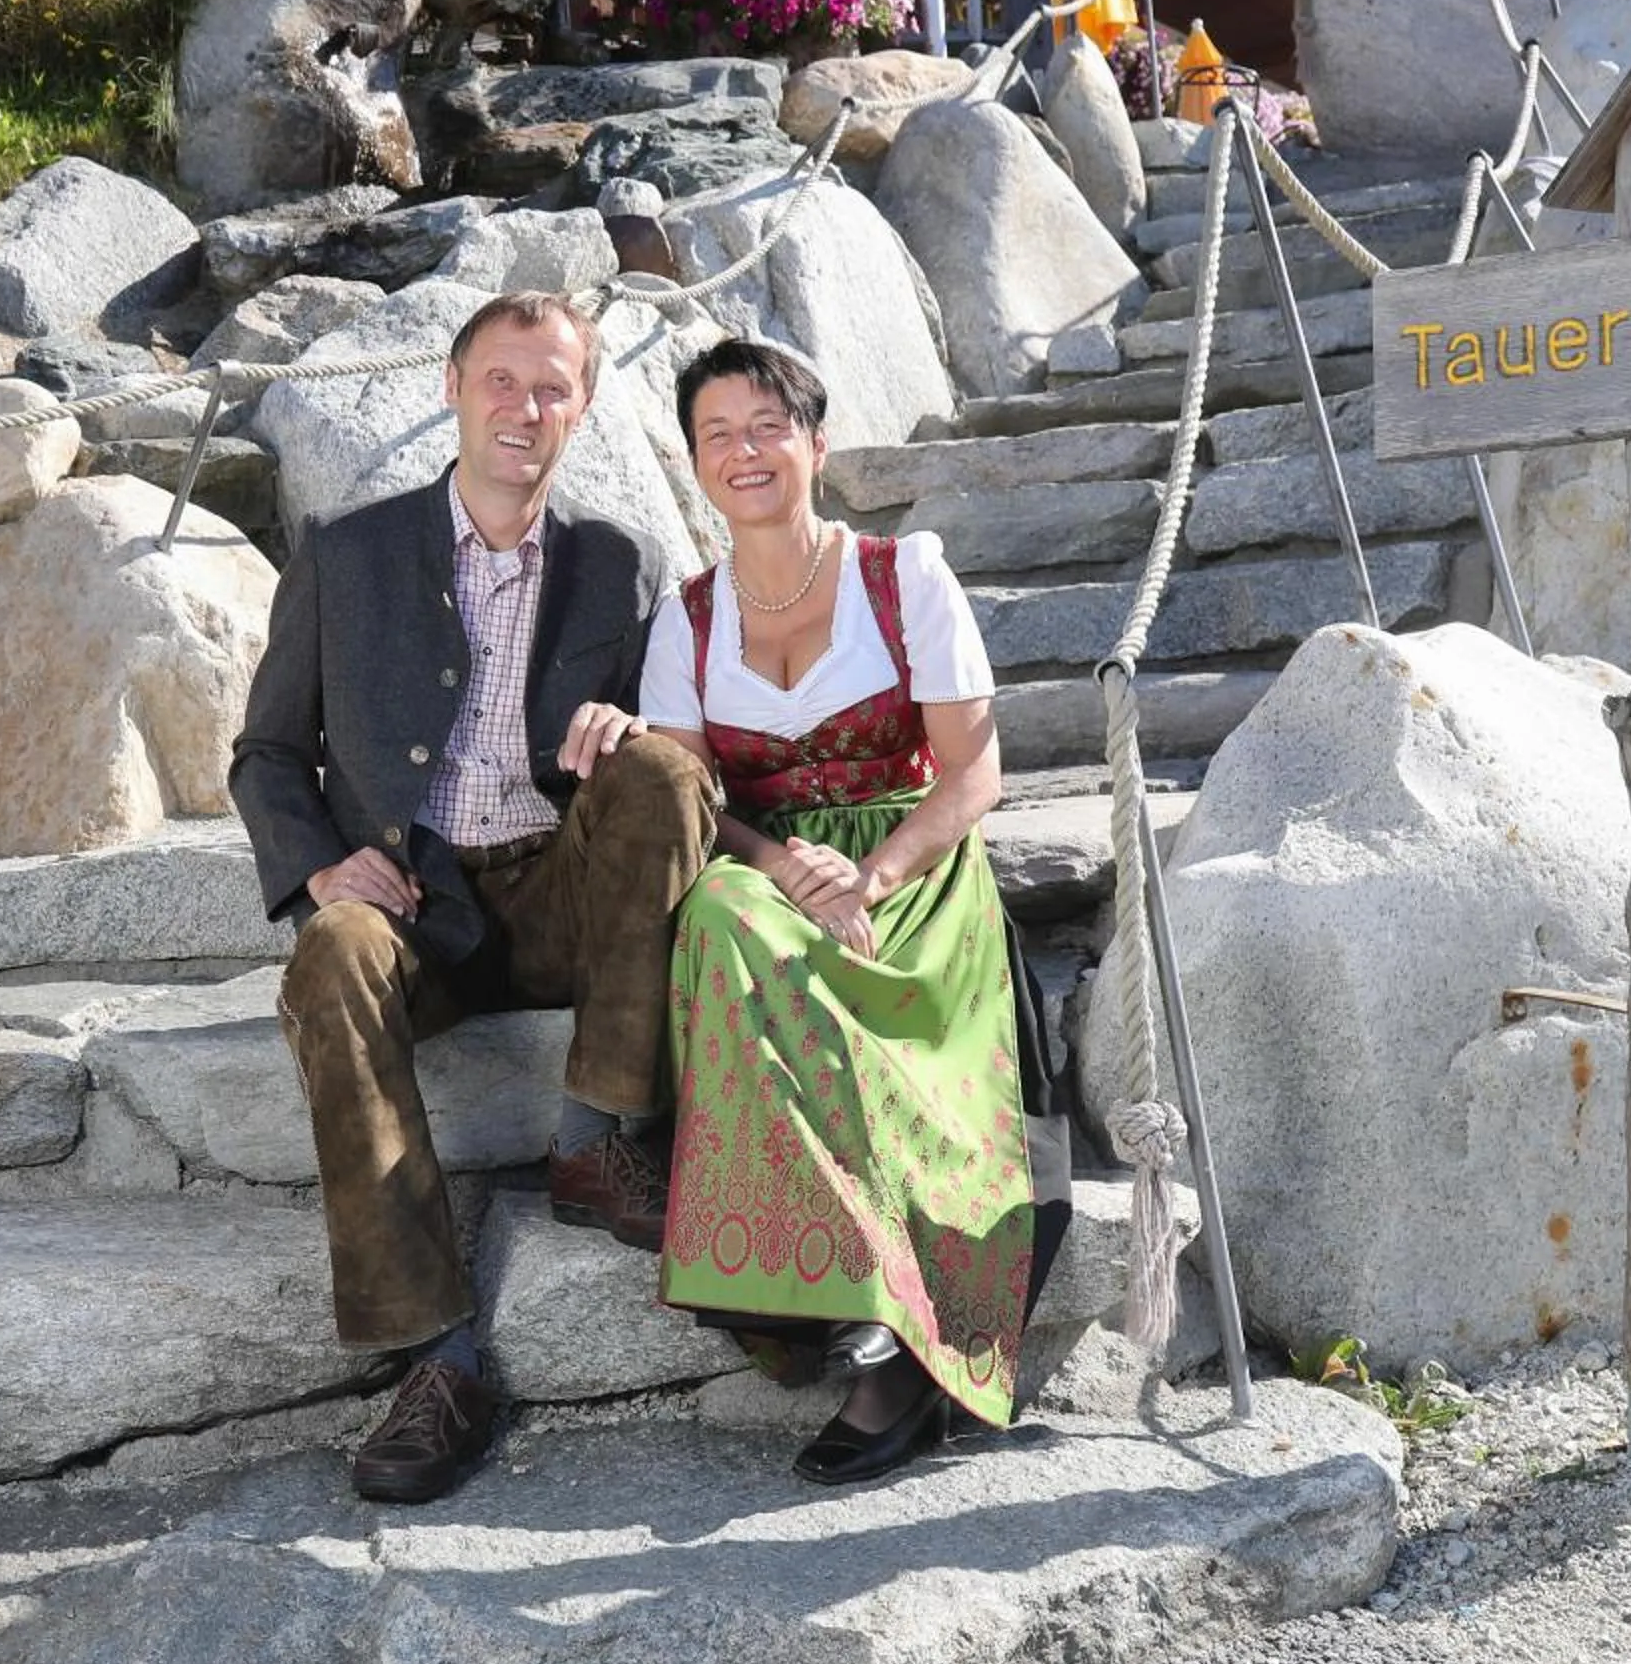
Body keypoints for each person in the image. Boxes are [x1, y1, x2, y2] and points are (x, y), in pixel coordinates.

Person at [230, 288, 720, 1506]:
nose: (525, 407)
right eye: (503, 380)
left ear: (584, 409)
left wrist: (634, 727)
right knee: (331, 956)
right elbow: (268, 755)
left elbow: (670, 744)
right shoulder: (346, 552)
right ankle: (438, 1355)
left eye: (553, 387)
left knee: (666, 768)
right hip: (412, 902)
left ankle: (594, 1137)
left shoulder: (618, 563)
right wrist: (319, 866)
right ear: (452, 388)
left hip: (561, 891)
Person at [641, 338, 1038, 1487]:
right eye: (718, 434)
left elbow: (975, 773)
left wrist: (870, 876)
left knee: (827, 978)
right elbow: (694, 802)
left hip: (912, 866)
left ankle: (894, 1345)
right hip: (774, 870)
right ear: (694, 463)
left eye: (768, 425)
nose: (745, 450)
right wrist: (785, 865)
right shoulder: (691, 618)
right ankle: (850, 1296)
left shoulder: (902, 575)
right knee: (716, 910)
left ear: (816, 444)